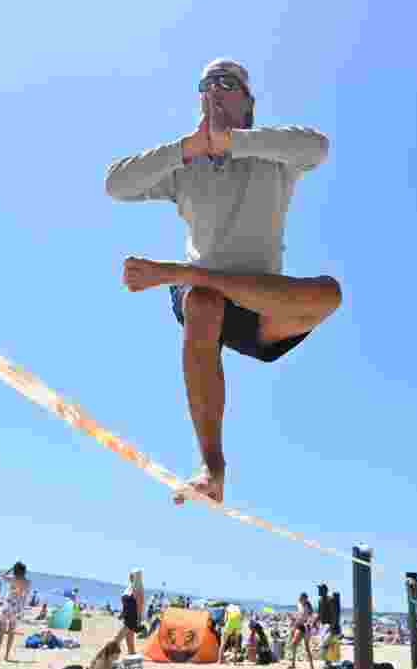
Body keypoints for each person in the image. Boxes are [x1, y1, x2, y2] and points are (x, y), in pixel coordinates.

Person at [105, 58, 337, 504]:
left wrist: (234, 141)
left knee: (330, 294)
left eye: (227, 83)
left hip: (260, 303)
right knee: (203, 302)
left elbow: (318, 147)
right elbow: (116, 185)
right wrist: (187, 148)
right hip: (205, 303)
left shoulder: (275, 159)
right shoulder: (184, 167)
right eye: (207, 83)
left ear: (248, 104)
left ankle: (179, 273)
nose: (214, 89)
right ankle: (213, 469)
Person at [0, 561, 31, 661]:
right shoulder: (27, 582)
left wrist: (10, 568)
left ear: (15, 570)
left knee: (1, 631)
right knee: (11, 632)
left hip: (7, 605)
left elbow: (2, 576)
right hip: (17, 608)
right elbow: (26, 596)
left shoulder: (12, 578)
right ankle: (6, 655)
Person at [116, 568, 145, 655]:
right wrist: (122, 613)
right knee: (129, 640)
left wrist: (139, 620)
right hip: (126, 616)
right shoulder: (129, 587)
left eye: (132, 575)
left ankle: (107, 656)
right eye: (130, 575)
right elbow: (126, 603)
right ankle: (132, 657)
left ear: (137, 577)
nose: (130, 577)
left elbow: (140, 606)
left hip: (132, 618)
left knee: (117, 638)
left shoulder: (138, 589)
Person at [289, 593, 315, 669]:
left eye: (302, 598)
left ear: (305, 599)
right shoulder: (299, 605)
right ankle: (293, 664)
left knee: (306, 647)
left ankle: (312, 666)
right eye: (300, 598)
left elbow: (310, 617)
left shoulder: (308, 606)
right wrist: (293, 619)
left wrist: (309, 624)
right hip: (300, 626)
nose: (300, 599)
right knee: (294, 644)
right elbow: (299, 616)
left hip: (306, 627)